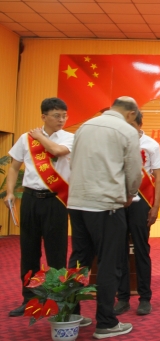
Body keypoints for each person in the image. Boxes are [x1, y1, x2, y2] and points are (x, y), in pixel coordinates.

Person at [67, 97, 142, 339]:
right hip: (106, 205)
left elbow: (73, 162)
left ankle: (70, 314)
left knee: (79, 261)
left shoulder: (84, 126)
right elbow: (134, 171)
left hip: (77, 202)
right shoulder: (126, 130)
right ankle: (106, 323)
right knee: (109, 263)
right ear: (131, 114)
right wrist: (130, 194)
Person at [4, 98, 77, 319]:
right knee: (29, 251)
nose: (62, 120)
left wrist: (40, 136)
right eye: (56, 115)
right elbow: (14, 167)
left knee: (56, 252)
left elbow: (57, 151)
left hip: (56, 200)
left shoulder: (69, 137)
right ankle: (29, 300)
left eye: (64, 115)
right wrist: (9, 192)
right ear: (44, 116)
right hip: (30, 199)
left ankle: (58, 300)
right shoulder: (26, 139)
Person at [114, 111, 160, 316]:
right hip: (118, 202)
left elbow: (158, 177)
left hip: (141, 203)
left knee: (141, 250)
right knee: (119, 251)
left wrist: (155, 206)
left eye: (132, 125)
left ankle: (145, 298)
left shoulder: (151, 145)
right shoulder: (115, 142)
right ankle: (122, 298)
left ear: (140, 124)